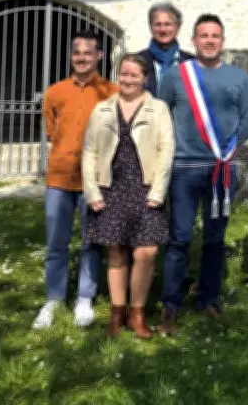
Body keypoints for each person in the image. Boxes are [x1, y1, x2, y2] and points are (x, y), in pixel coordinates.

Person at [156, 14, 248, 335]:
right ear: (194, 41)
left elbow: (246, 120)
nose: (210, 40)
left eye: (215, 36)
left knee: (214, 238)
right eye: (203, 35)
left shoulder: (239, 78)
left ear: (222, 41)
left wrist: (229, 151)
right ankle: (170, 305)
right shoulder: (174, 76)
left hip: (222, 170)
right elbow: (161, 116)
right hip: (183, 168)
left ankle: (209, 298)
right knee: (179, 238)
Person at [82, 54, 175, 338]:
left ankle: (137, 314)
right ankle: (117, 313)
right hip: (111, 188)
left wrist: (158, 191)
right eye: (124, 74)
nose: (128, 79)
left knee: (146, 252)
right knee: (116, 251)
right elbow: (89, 152)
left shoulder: (157, 109)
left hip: (146, 188)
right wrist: (92, 191)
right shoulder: (102, 109)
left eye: (134, 75)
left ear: (145, 78)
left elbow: (166, 150)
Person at [32, 30, 117, 330]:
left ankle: (85, 297)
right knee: (56, 242)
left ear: (99, 56)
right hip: (59, 178)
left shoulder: (111, 93)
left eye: (88, 52)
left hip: (94, 181)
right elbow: (52, 131)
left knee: (92, 242)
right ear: (72, 56)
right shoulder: (55, 91)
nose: (82, 58)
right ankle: (54, 299)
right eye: (77, 52)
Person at [137, 2, 194, 95]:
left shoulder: (191, 63)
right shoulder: (138, 61)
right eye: (158, 24)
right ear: (150, 27)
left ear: (178, 27)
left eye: (168, 24)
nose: (163, 30)